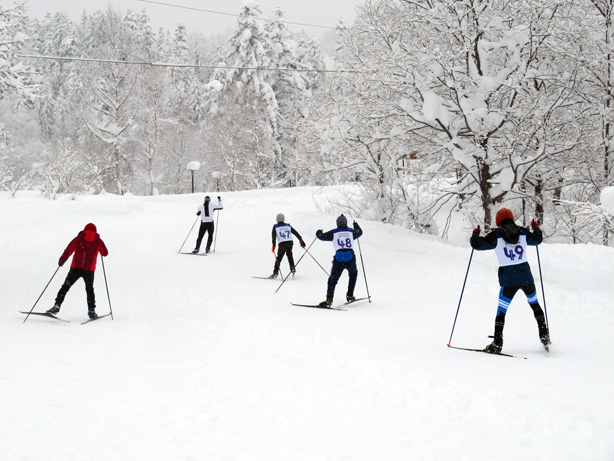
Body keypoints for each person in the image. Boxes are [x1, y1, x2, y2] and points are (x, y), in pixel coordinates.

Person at [470, 207, 550, 353]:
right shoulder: (523, 232)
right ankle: (544, 335)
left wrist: (475, 234)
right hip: (526, 277)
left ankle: (498, 343)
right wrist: (536, 228)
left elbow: (476, 245)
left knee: (502, 311)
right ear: (512, 218)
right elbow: (538, 240)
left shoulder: (496, 235)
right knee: (535, 305)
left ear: (498, 221)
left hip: (508, 280)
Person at [47, 223, 109, 319]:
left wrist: (61, 261)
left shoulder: (78, 238)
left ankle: (56, 306)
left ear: (84, 230)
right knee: (89, 290)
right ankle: (91, 311)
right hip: (89, 270)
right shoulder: (98, 241)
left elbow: (68, 250)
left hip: (76, 268)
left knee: (65, 287)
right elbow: (105, 253)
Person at [315, 214, 363, 307]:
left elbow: (321, 237)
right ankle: (349, 295)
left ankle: (329, 300)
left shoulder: (334, 232)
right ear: (346, 223)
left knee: (332, 280)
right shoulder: (351, 231)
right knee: (353, 275)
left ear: (337, 223)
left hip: (338, 259)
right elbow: (360, 232)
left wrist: (319, 232)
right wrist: (356, 225)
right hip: (350, 258)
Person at [270, 213, 306, 278]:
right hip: (290, 242)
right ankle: (293, 269)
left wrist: (273, 246)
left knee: (279, 258)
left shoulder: (275, 226)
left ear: (277, 219)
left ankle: (275, 273)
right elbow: (295, 233)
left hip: (282, 243)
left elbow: (273, 237)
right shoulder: (288, 225)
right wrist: (301, 240)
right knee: (289, 255)